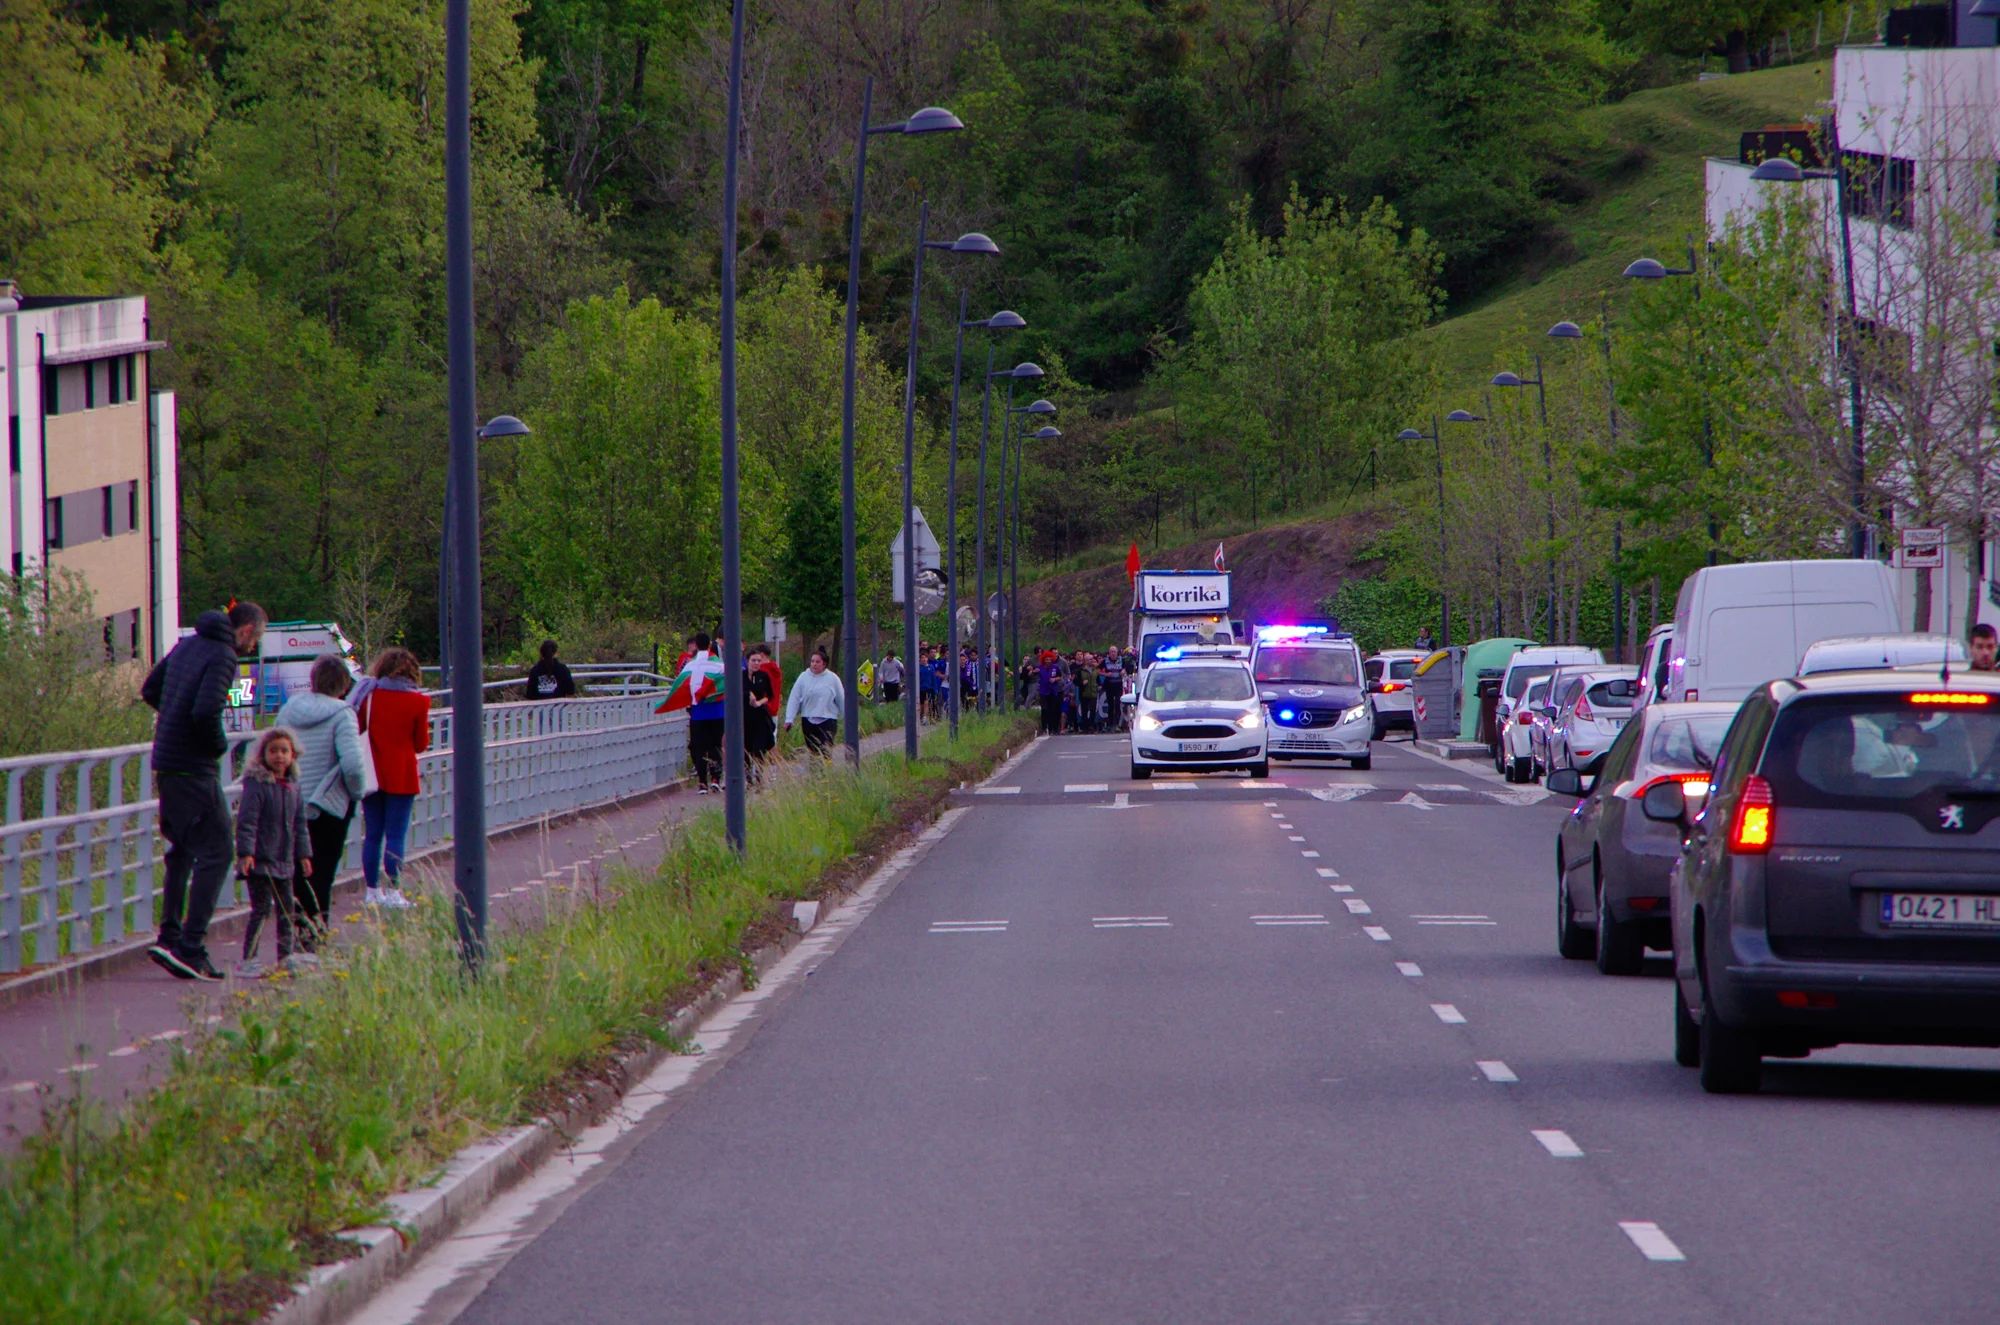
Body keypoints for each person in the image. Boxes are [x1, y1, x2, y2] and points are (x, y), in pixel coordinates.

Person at [142, 600, 267, 981]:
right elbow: (205, 711)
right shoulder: (223, 655)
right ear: (246, 630)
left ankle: (169, 938)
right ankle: (191, 947)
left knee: (182, 850)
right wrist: (217, 746)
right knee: (219, 851)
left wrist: (173, 721)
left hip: (167, 762)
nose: (252, 647)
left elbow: (150, 689)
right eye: (255, 639)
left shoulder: (188, 645)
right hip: (194, 768)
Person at [276, 654, 367, 954]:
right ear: (344, 684)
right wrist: (357, 792)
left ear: (313, 680)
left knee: (294, 870)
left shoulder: (289, 710)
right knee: (322, 872)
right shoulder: (343, 714)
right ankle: (315, 935)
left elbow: (272, 748)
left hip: (290, 801)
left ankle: (294, 932)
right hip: (327, 806)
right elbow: (352, 765)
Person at [355, 646, 430, 909]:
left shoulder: (367, 697)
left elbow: (358, 731)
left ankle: (372, 891)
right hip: (402, 774)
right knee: (396, 835)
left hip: (371, 773)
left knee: (373, 834)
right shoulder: (419, 702)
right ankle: (394, 892)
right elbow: (420, 744)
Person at [234, 726, 311, 977]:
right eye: (273, 751)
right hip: (260, 860)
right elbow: (247, 822)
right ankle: (249, 958)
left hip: (284, 859)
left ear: (293, 755)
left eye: (284, 751)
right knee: (261, 909)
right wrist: (246, 853)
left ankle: (286, 956)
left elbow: (300, 824)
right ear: (263, 754)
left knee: (287, 909)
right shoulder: (257, 785)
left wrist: (304, 855)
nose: (279, 756)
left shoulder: (293, 786)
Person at [686, 631, 726, 793]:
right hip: (717, 711)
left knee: (699, 747)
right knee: (715, 745)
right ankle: (716, 778)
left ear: (696, 645)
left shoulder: (690, 665)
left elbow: (682, 684)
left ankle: (703, 782)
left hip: (698, 712)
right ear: (710, 645)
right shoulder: (719, 664)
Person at [785, 648, 845, 755]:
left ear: (824, 664)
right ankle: (815, 765)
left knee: (825, 750)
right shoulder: (803, 677)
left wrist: (847, 719)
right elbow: (794, 698)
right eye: (812, 661)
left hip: (828, 719)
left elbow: (841, 699)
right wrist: (789, 719)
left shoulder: (833, 679)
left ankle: (827, 765)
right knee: (814, 751)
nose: (814, 664)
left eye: (817, 662)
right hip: (808, 719)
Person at [743, 644, 777, 781]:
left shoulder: (764, 676)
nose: (756, 663)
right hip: (745, 718)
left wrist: (759, 702)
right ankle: (747, 778)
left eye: (759, 660)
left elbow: (770, 695)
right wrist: (747, 694)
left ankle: (759, 777)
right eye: (753, 660)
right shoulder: (741, 676)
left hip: (760, 717)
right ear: (747, 661)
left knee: (759, 749)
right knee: (746, 749)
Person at [1037, 648, 1064, 736]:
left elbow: (1060, 676)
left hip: (1053, 691)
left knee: (1053, 710)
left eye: (1049, 659)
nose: (1048, 661)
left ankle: (1053, 728)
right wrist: (1031, 671)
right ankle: (1044, 727)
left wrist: (1055, 679)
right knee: (1044, 709)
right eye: (1046, 659)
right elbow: (1032, 674)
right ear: (1043, 660)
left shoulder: (1055, 667)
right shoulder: (1039, 668)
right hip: (1043, 691)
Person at [1100, 646, 1126, 732]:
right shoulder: (1105, 661)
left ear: (1117, 652)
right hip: (1109, 686)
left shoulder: (1121, 660)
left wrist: (1124, 671)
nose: (1113, 653)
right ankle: (1110, 724)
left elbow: (1127, 668)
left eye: (1114, 651)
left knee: (1118, 705)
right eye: (1111, 652)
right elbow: (1097, 670)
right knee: (1110, 706)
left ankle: (1118, 724)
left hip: (1118, 685)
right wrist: (1105, 674)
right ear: (1109, 653)